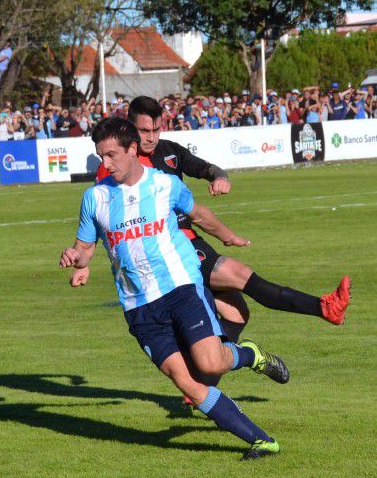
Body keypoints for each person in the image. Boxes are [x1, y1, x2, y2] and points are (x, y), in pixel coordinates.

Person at [61, 117, 288, 460]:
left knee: (211, 365)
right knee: (187, 384)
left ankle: (250, 354)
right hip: (139, 307)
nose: (104, 164)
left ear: (132, 149)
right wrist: (77, 259)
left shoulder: (164, 184)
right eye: (100, 156)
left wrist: (228, 236)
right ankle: (261, 441)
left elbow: (198, 215)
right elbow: (86, 248)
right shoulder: (95, 198)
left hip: (180, 287)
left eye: (111, 155)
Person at [95, 96, 351, 346]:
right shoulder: (118, 165)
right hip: (168, 250)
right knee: (240, 275)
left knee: (237, 314)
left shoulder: (169, 151)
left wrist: (221, 178)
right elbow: (102, 213)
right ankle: (325, 307)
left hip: (192, 241)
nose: (151, 137)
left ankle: (200, 381)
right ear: (129, 127)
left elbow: (209, 169)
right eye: (143, 131)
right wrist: (84, 254)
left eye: (157, 129)